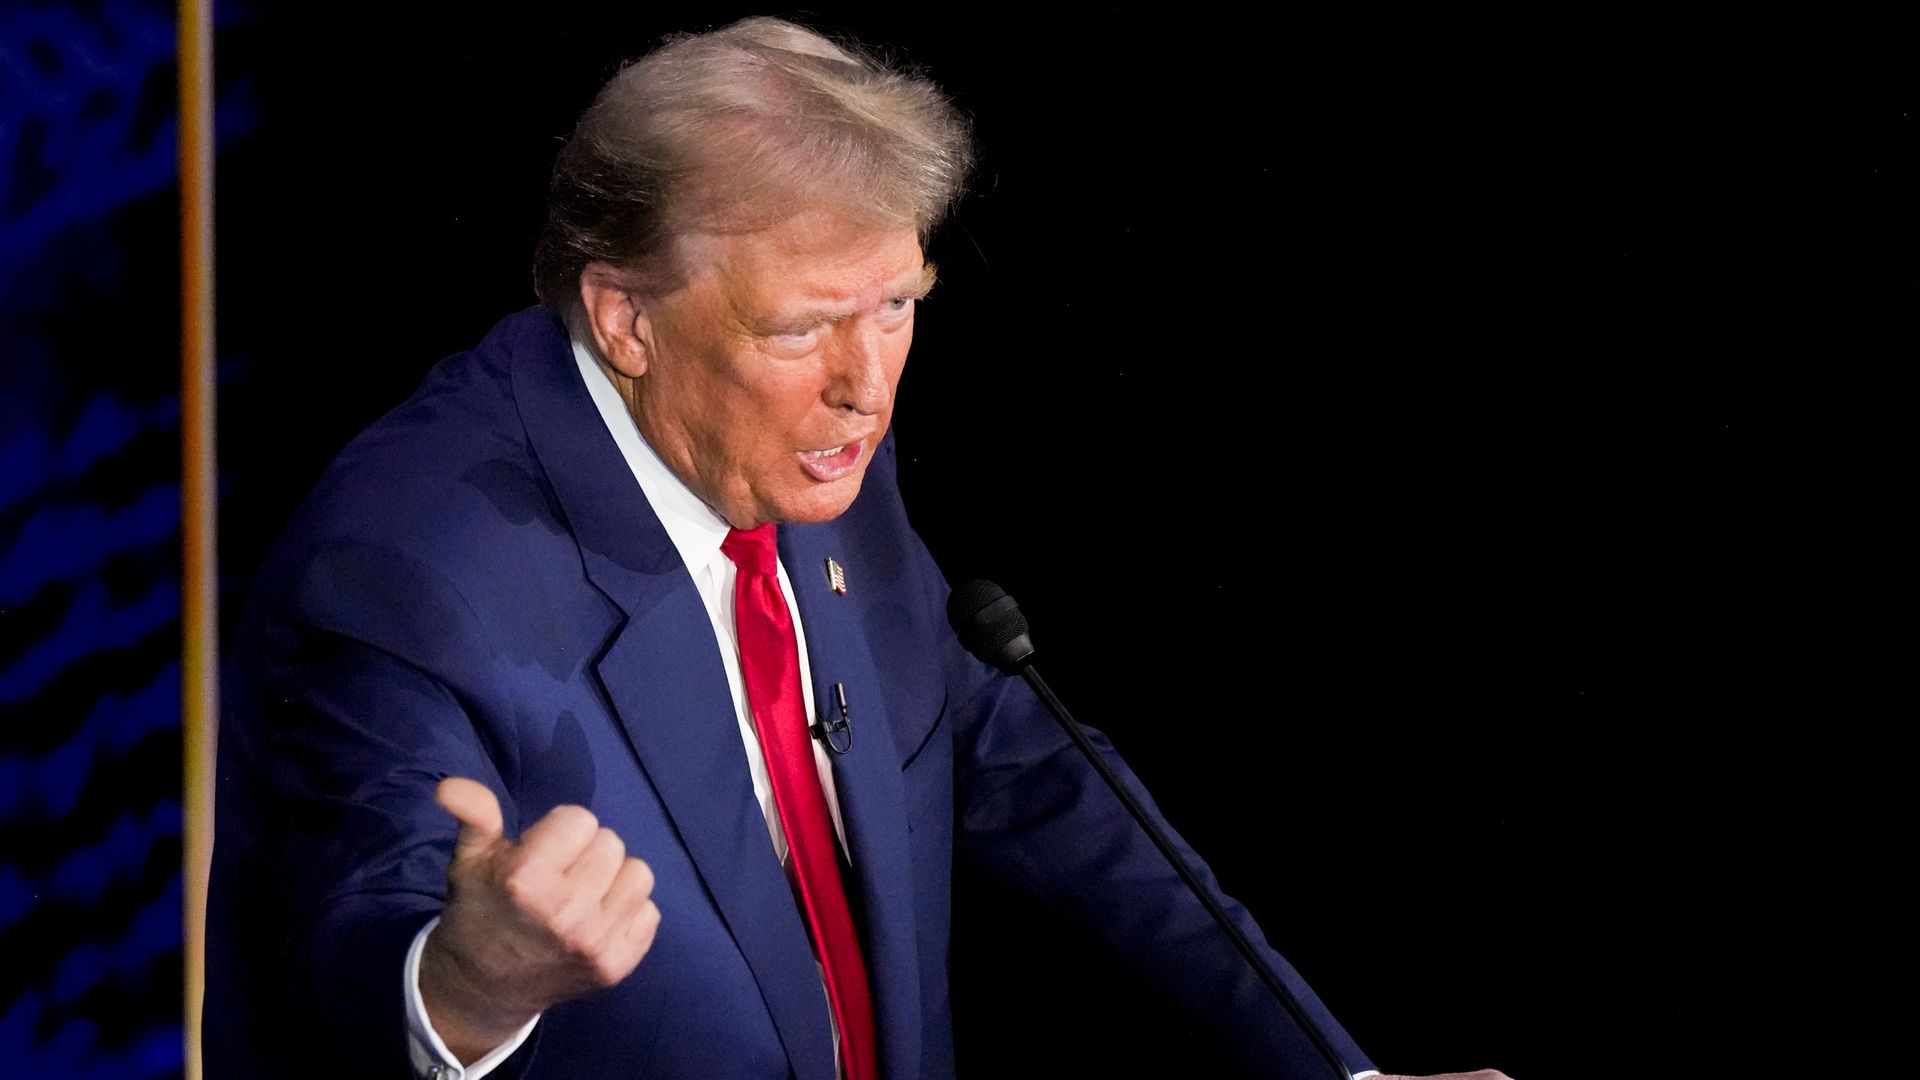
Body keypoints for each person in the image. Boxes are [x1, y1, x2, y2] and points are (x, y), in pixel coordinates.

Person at [205, 16, 1509, 1080]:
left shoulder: (806, 446)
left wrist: (1335, 1070)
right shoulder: (402, 578)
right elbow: (345, 962)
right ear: (626, 321)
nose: (867, 388)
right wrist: (467, 989)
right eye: (801, 328)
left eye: (898, 306)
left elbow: (998, 749)